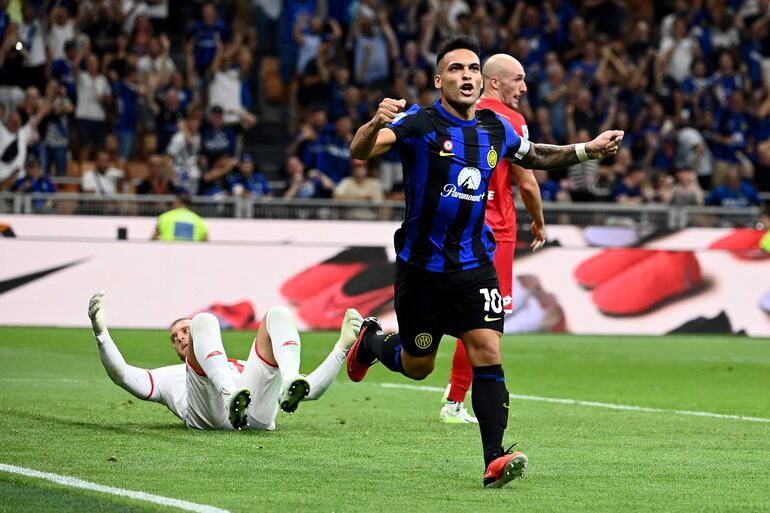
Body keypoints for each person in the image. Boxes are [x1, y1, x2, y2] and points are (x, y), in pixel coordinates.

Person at [347, 35, 623, 488]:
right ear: (439, 80)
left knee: (487, 351)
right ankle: (373, 342)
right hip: (420, 268)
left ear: (481, 78)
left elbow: (533, 156)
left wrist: (585, 150)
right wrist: (373, 122)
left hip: (475, 263)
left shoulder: (495, 128)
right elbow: (361, 151)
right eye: (455, 69)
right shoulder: (420, 122)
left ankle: (494, 457)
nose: (467, 75)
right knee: (419, 365)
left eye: (472, 68)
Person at [437, 53, 546, 425]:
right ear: (495, 82)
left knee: (446, 311)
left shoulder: (458, 110)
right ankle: (454, 402)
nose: (524, 87)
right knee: (484, 320)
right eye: (518, 79)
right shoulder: (510, 121)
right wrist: (539, 222)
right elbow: (527, 181)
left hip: (456, 225)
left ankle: (375, 345)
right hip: (496, 230)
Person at [87, 291, 363, 430]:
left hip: (254, 416)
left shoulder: (241, 366)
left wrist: (341, 347)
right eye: (175, 337)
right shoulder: (168, 376)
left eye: (185, 331)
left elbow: (310, 391)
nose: (181, 338)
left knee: (277, 313)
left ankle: (289, 375)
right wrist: (101, 333)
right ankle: (230, 395)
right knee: (204, 320)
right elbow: (122, 374)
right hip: (209, 416)